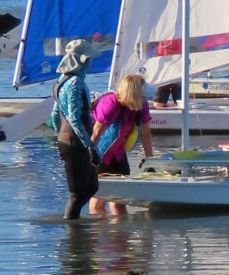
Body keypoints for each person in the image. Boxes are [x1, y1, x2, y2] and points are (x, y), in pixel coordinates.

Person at [47, 39, 99, 220]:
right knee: (78, 193)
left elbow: (55, 115)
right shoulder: (76, 82)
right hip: (75, 141)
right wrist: (89, 145)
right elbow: (74, 118)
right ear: (83, 61)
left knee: (91, 187)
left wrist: (59, 135)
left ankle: (76, 230)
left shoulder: (61, 81)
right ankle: (72, 236)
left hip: (68, 139)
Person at [89, 73, 154, 215]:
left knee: (120, 201)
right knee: (99, 201)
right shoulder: (111, 104)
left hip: (118, 153)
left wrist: (151, 161)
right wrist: (89, 157)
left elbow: (145, 133)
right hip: (101, 153)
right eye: (142, 96)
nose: (145, 99)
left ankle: (120, 235)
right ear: (133, 94)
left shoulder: (141, 105)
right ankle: (97, 233)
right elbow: (96, 134)